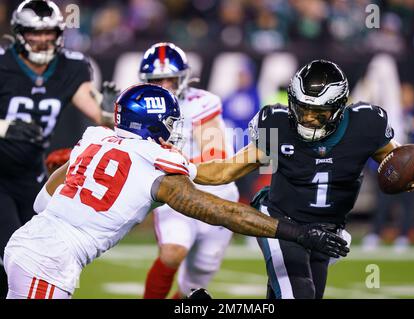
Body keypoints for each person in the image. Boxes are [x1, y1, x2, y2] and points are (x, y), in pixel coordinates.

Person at [3, 84, 349, 299]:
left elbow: (41, 201)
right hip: (50, 261)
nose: (173, 131)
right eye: (169, 123)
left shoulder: (94, 139)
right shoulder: (157, 163)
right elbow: (222, 212)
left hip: (28, 243)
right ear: (152, 123)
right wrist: (297, 232)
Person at [192, 60, 414, 299]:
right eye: (302, 109)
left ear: (338, 108)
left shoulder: (365, 125)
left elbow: (396, 160)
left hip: (326, 231)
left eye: (318, 113)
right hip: (281, 222)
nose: (307, 119)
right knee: (300, 293)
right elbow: (225, 171)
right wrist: (185, 168)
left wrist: (411, 173)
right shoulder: (278, 125)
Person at [0, 0, 115, 298]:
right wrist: (6, 128)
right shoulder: (3, 64)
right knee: (9, 251)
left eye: (48, 32)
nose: (42, 39)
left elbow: (94, 111)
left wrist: (110, 111)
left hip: (31, 175)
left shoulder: (71, 67)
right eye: (33, 32)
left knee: (36, 251)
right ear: (19, 32)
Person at [139, 42, 240, 299]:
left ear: (183, 77)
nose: (164, 86)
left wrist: (175, 160)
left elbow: (214, 154)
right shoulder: (139, 109)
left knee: (193, 283)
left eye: (169, 78)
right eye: (156, 80)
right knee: (173, 252)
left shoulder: (202, 102)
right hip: (177, 195)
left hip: (217, 194)